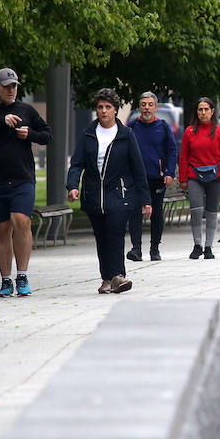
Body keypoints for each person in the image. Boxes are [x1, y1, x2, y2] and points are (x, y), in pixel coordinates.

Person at [0, 68, 53, 298]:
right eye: (6, 86)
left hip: (22, 178)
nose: (11, 90)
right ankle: (6, 280)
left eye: (14, 86)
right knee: (2, 228)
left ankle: (22, 275)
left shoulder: (26, 110)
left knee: (21, 220)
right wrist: (0, 123)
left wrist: (30, 134)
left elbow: (47, 135)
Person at [67, 88, 150, 294]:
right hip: (94, 194)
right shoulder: (88, 134)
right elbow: (77, 163)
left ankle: (118, 276)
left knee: (115, 232)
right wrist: (72, 186)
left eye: (108, 107)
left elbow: (138, 169)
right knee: (102, 236)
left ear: (115, 110)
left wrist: (145, 200)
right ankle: (106, 278)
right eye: (100, 107)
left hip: (120, 194)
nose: (104, 111)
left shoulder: (125, 135)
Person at [178, 97, 220, 259]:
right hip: (194, 175)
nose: (203, 113)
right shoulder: (189, 132)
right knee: (196, 210)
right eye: (200, 110)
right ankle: (197, 245)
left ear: (212, 111)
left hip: (215, 176)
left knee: (212, 211)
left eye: (206, 109)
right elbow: (184, 157)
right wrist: (183, 179)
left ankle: (208, 247)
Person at [126, 92, 178, 261]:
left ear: (155, 107)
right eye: (143, 104)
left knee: (156, 213)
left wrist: (170, 172)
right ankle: (136, 249)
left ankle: (154, 248)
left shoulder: (163, 127)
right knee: (134, 212)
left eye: (150, 104)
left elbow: (172, 151)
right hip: (135, 179)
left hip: (157, 177)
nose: (146, 108)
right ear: (139, 107)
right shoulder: (132, 127)